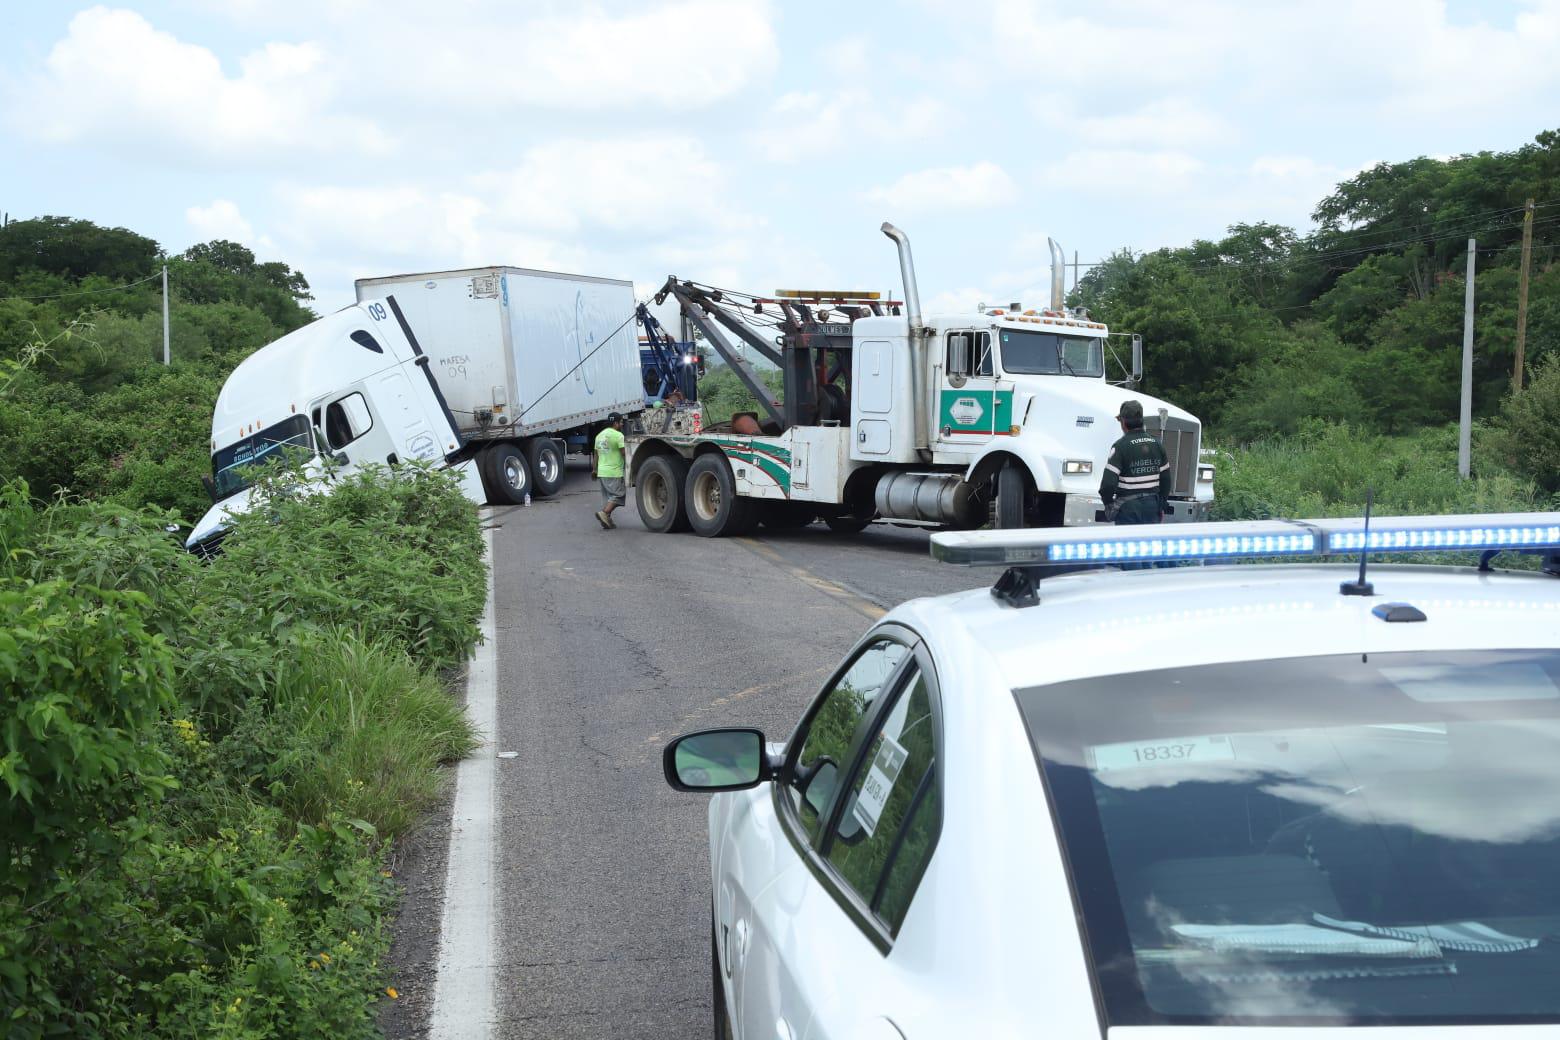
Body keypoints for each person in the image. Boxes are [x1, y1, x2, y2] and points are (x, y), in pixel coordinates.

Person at [1099, 400, 1170, 566]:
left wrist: (1109, 504)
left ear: (1124, 422)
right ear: (1141, 420)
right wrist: (1161, 502)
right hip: (1152, 505)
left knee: (1130, 556)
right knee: (1147, 554)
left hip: (1129, 510)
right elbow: (1166, 479)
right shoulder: (1157, 443)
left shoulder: (1120, 446)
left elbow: (1108, 485)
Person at [593, 412, 627, 530]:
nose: (622, 424)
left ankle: (607, 520)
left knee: (609, 498)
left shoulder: (599, 436)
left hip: (602, 472)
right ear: (615, 423)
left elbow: (596, 455)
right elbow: (624, 453)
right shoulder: (618, 436)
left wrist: (594, 470)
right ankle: (604, 513)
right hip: (614, 472)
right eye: (621, 422)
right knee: (619, 495)